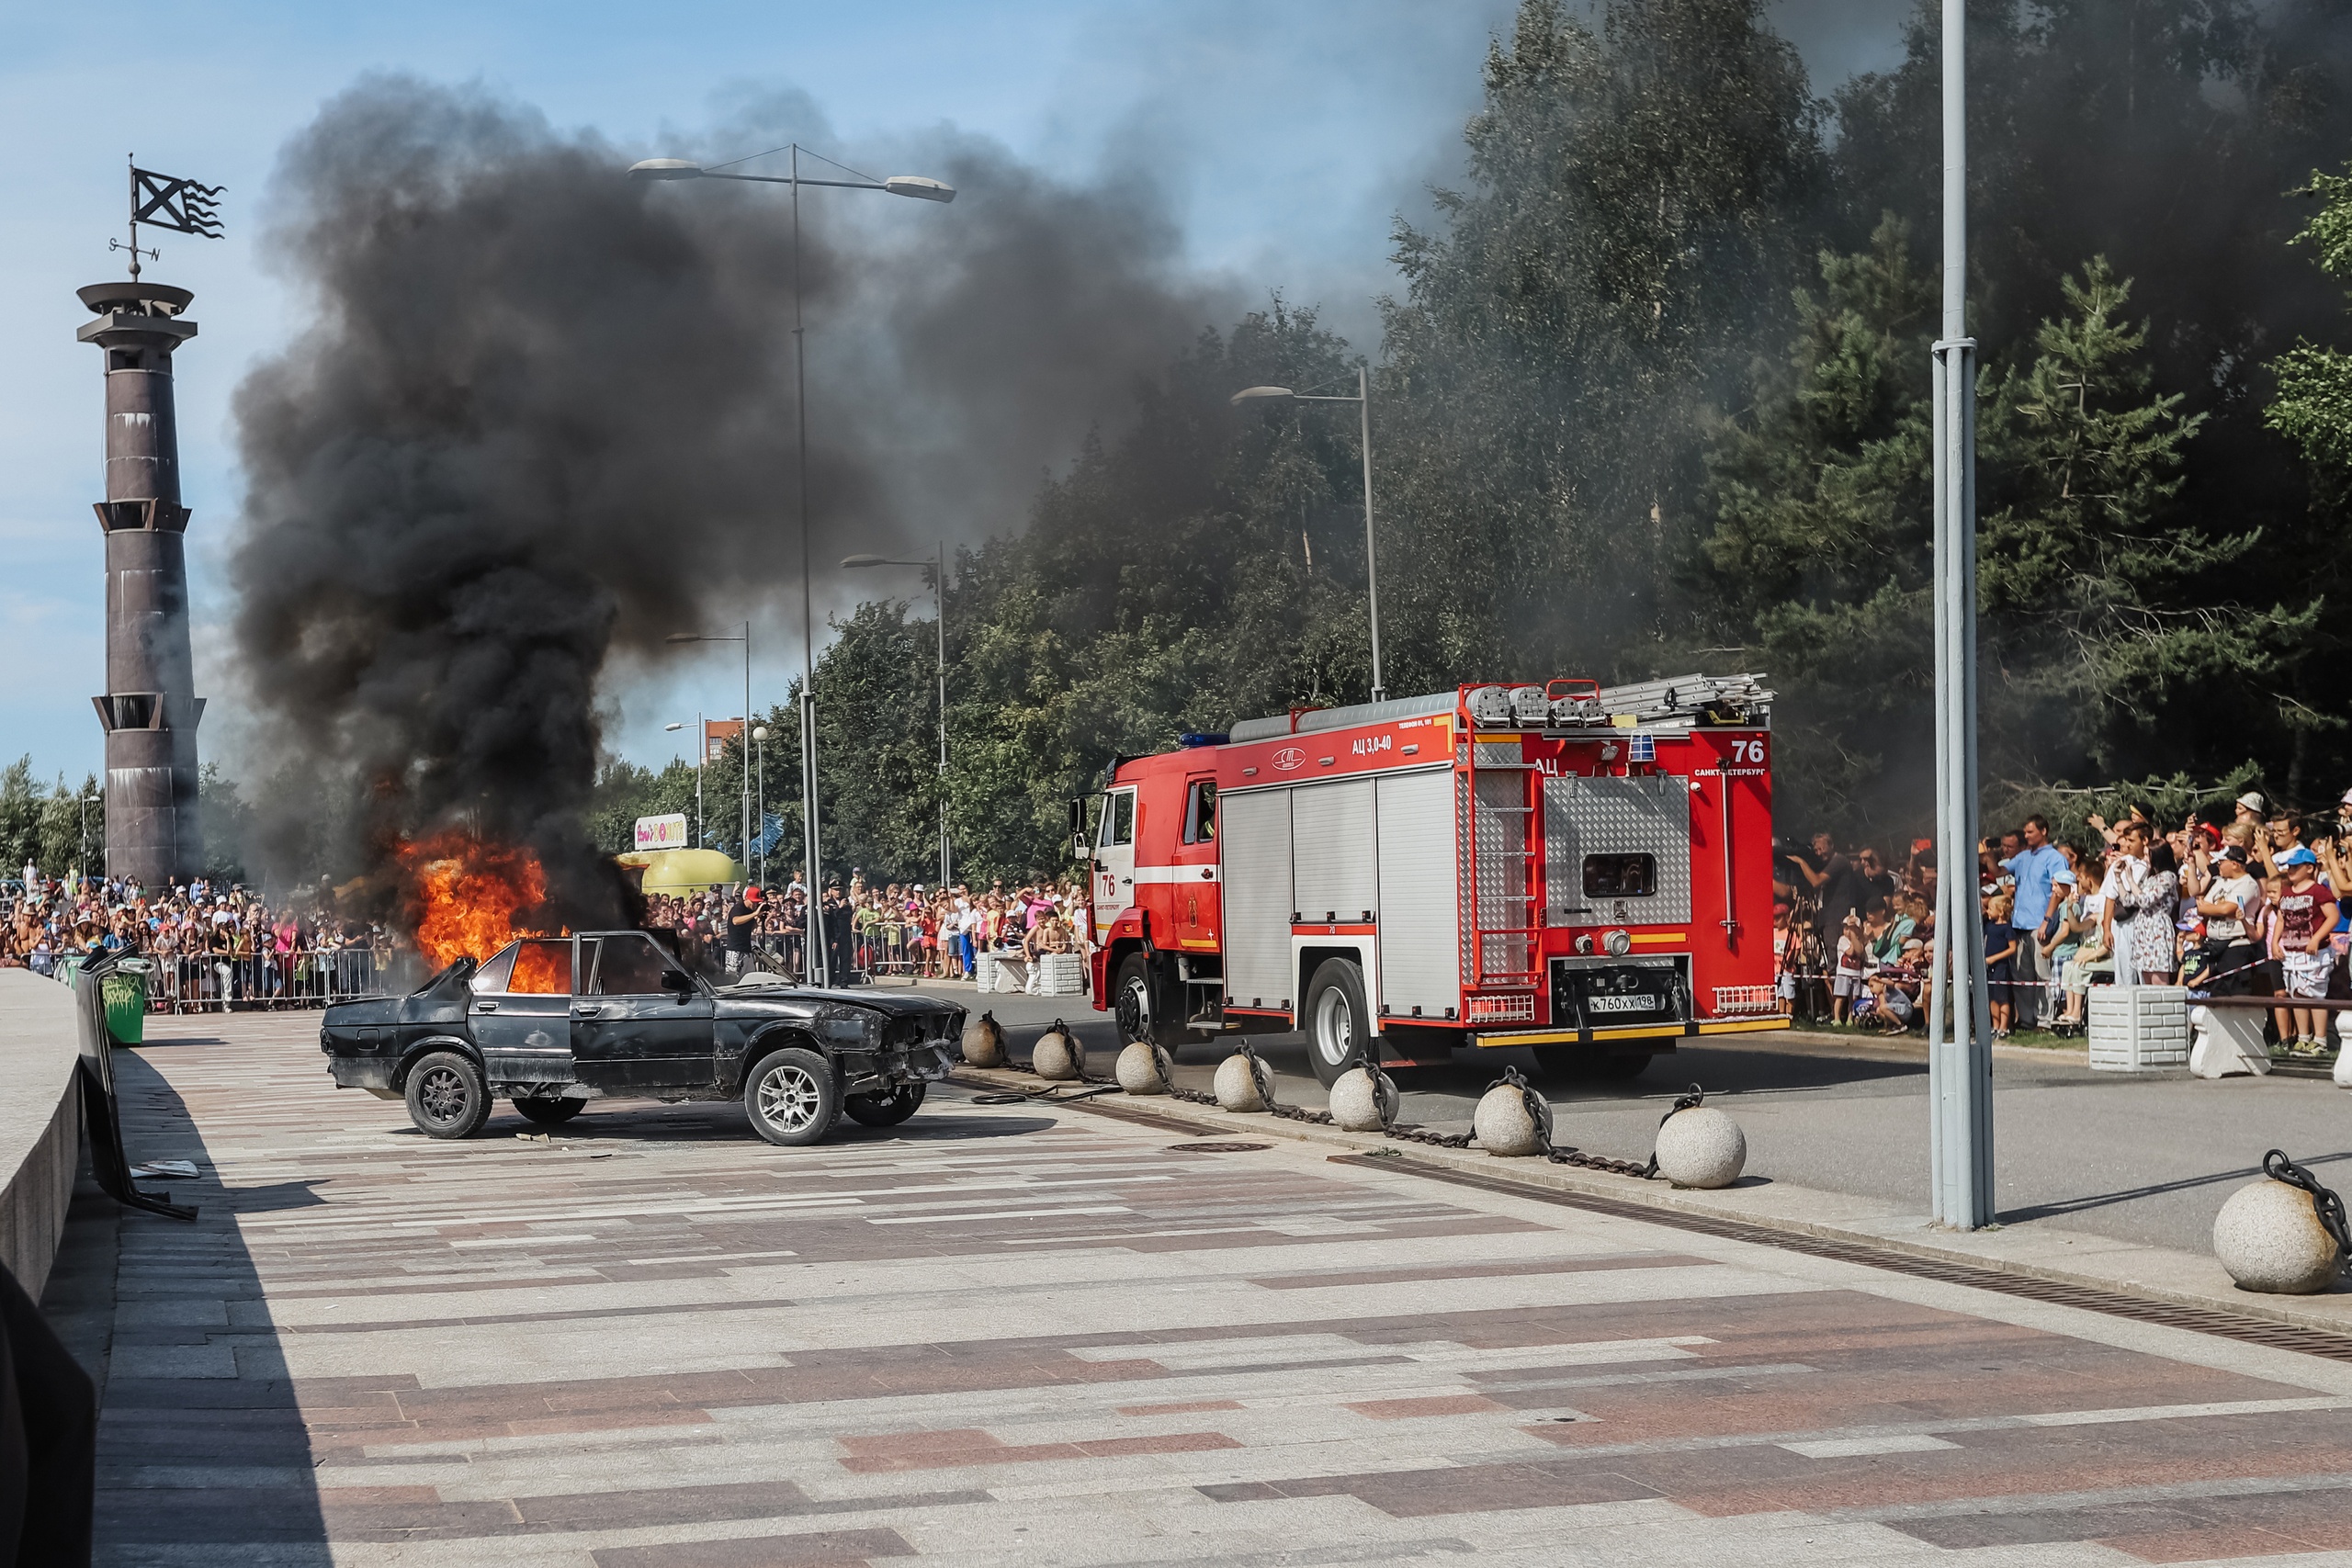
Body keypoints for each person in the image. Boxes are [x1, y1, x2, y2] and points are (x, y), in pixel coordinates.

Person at [2272, 846, 2338, 1055]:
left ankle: (2320, 1039)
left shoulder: (2318, 890)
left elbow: (2333, 916)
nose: (2290, 871)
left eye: (2295, 867)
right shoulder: (2286, 892)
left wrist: (2317, 938)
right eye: (2289, 867)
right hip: (2291, 952)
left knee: (2315, 994)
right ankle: (2303, 1037)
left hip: (2314, 953)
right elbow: (2281, 919)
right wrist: (2275, 942)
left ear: (2309, 868)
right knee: (2296, 993)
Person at [2003, 816, 2066, 1031]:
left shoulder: (2054, 858)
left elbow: (2059, 892)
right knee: (2022, 976)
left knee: (2042, 974)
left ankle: (2044, 1020)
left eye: (2030, 832)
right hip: (2019, 924)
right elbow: (1999, 872)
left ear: (2044, 830)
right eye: (2025, 832)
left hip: (2040, 925)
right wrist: (1988, 855)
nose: (2026, 836)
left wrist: (2046, 921)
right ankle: (2027, 1019)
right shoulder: (2022, 857)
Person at [2192, 842, 2263, 997]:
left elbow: (2227, 909)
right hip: (2215, 944)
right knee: (2215, 991)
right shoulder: (2220, 881)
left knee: (2233, 991)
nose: (2218, 866)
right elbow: (2201, 907)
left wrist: (2217, 908)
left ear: (2235, 864)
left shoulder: (2248, 884)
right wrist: (2217, 908)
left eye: (2221, 862)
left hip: (2236, 945)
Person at [1984, 893, 2018, 1038]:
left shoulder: (2006, 928)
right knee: (1992, 997)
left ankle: (2004, 1027)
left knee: (2002, 997)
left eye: (1991, 909)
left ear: (2001, 912)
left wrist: (1994, 958)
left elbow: (2012, 948)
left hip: (2001, 967)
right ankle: (1995, 1025)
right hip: (1989, 967)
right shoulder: (1989, 926)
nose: (1988, 911)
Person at [1832, 911, 1864, 1025]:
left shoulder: (1859, 941)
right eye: (1846, 928)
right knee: (1841, 997)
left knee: (1853, 998)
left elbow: (1860, 952)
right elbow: (1850, 952)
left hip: (1855, 973)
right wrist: (1853, 941)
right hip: (1844, 973)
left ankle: (1850, 1019)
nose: (1848, 932)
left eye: (1851, 929)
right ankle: (1836, 1018)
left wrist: (1855, 938)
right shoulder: (1842, 940)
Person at [722, 884, 760, 977]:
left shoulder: (750, 911)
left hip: (747, 950)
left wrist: (759, 917)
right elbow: (735, 921)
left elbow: (752, 928)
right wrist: (754, 914)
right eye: (753, 902)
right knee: (734, 979)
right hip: (735, 951)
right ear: (746, 898)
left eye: (757, 902)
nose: (755, 904)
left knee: (751, 979)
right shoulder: (738, 908)